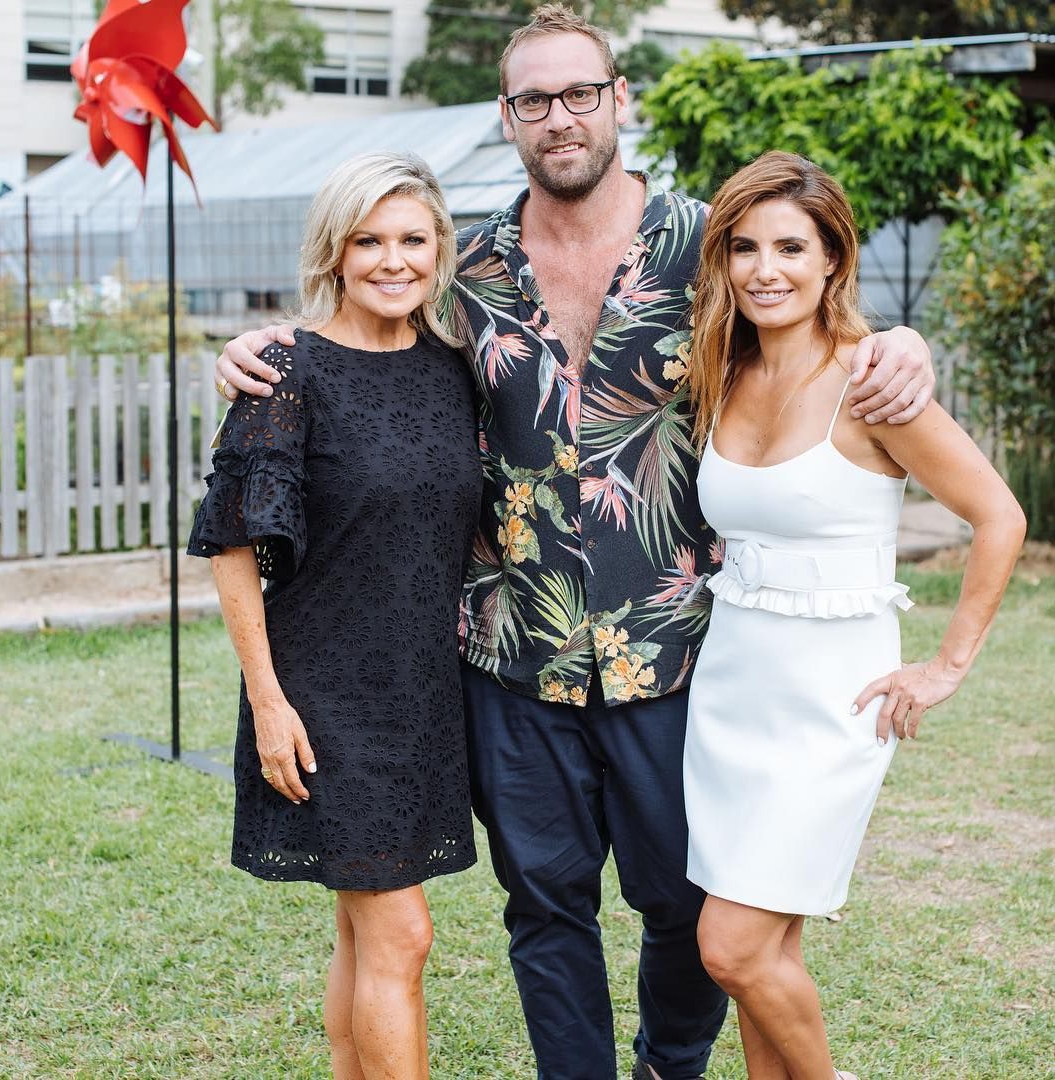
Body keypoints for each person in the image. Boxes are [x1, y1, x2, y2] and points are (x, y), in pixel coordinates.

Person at [212, 8, 940, 1078]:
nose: (560, 117)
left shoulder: (708, 246)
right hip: (514, 649)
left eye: (580, 93)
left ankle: (669, 1066)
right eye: (535, 99)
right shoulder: (467, 266)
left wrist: (904, 340)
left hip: (679, 644)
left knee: (685, 900)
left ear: (618, 98)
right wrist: (256, 348)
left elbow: (812, 314)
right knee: (544, 904)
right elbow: (365, 335)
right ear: (507, 115)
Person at [681, 151, 1026, 1080]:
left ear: (832, 257)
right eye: (745, 248)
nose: (766, 270)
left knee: (732, 948)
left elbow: (1000, 517)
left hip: (831, 700)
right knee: (767, 954)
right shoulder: (723, 370)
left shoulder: (874, 384)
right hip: (731, 693)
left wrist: (945, 666)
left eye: (791, 247)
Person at [188, 151, 481, 1080]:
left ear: (439, 249)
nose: (393, 261)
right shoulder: (287, 371)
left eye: (413, 240)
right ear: (335, 253)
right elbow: (233, 545)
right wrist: (268, 702)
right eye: (368, 241)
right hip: (323, 696)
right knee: (402, 932)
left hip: (423, 694)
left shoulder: (455, 370)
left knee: (365, 929)